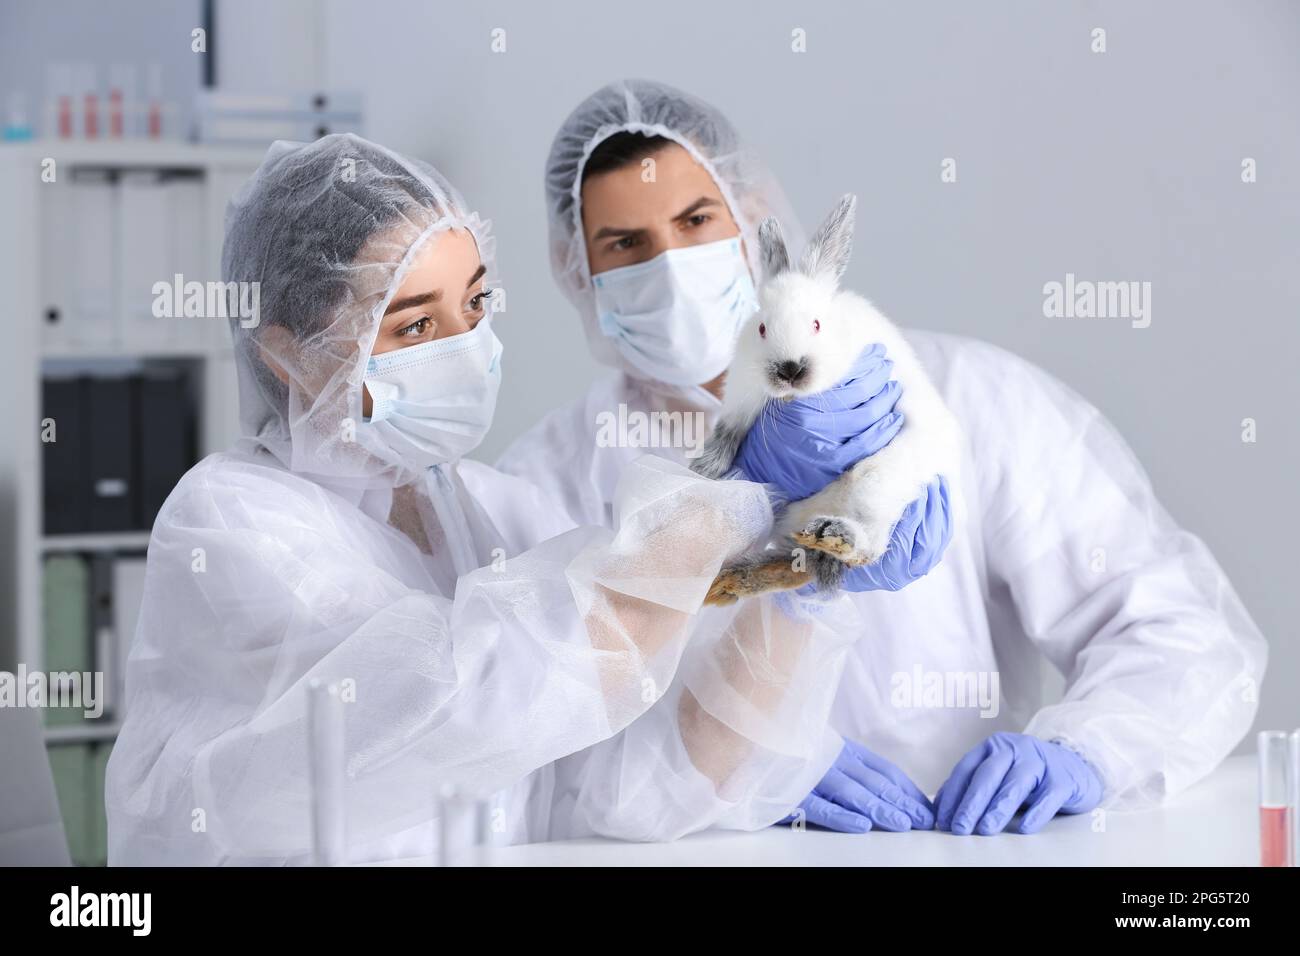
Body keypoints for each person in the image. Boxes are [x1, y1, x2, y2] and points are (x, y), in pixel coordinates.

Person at [497, 78, 1268, 835]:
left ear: (756, 219)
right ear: (580, 271)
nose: (669, 265)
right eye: (625, 245)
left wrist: (1088, 750)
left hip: (971, 843)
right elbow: (538, 756)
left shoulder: (968, 397)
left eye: (697, 219)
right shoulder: (554, 476)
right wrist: (750, 775)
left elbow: (1175, 631)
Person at [103, 133, 891, 864]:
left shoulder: (482, 509)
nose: (467, 346)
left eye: (474, 305)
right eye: (414, 327)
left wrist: (798, 574)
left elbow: (615, 785)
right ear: (292, 355)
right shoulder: (234, 520)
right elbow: (461, 700)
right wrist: (732, 489)